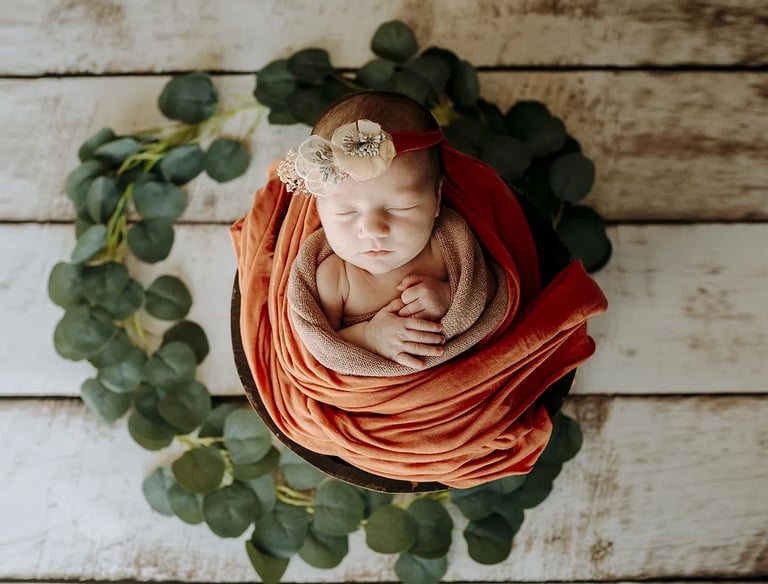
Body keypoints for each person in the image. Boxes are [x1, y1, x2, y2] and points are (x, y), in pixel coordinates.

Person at [278, 91, 498, 370]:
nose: (373, 229)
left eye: (401, 207)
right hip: (380, 392)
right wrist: (369, 337)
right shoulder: (333, 278)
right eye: (346, 212)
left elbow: (489, 288)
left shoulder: (449, 243)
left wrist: (449, 295)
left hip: (467, 371)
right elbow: (322, 345)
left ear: (436, 199)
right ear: (319, 210)